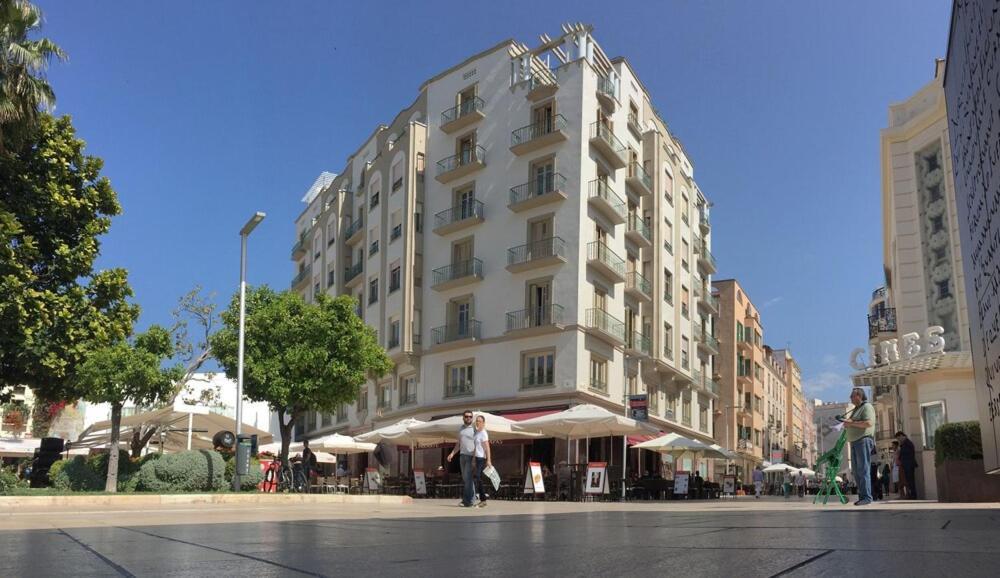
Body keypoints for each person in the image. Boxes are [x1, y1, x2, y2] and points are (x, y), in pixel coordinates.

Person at [842, 387, 876, 506]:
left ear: (859, 396)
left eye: (852, 395)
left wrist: (851, 423)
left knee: (863, 469)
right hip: (855, 442)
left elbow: (868, 423)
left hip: (863, 441)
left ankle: (867, 497)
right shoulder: (857, 409)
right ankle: (862, 496)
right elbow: (852, 423)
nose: (850, 398)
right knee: (856, 471)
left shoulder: (867, 407)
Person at [447, 410, 477, 507]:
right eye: (466, 416)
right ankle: (472, 499)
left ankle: (467, 501)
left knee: (468, 478)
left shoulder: (474, 429)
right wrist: (452, 453)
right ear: (463, 418)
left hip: (470, 456)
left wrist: (474, 458)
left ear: (472, 418)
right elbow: (458, 444)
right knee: (466, 479)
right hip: (462, 456)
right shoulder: (461, 429)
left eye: (470, 417)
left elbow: (477, 444)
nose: (468, 418)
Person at [473, 414, 492, 508]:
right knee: (478, 478)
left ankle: (483, 499)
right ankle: (482, 498)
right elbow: (476, 447)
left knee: (478, 478)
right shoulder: (477, 433)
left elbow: (487, 447)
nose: (477, 422)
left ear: (483, 423)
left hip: (481, 458)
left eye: (479, 421)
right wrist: (473, 458)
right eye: (477, 421)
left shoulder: (484, 433)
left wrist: (488, 460)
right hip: (477, 458)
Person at [895, 431, 918, 500]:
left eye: (899, 438)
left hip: (909, 465)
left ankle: (913, 495)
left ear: (902, 436)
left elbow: (905, 454)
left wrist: (899, 453)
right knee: (908, 481)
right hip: (907, 465)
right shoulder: (904, 443)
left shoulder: (907, 443)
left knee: (910, 481)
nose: (898, 440)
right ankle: (911, 495)